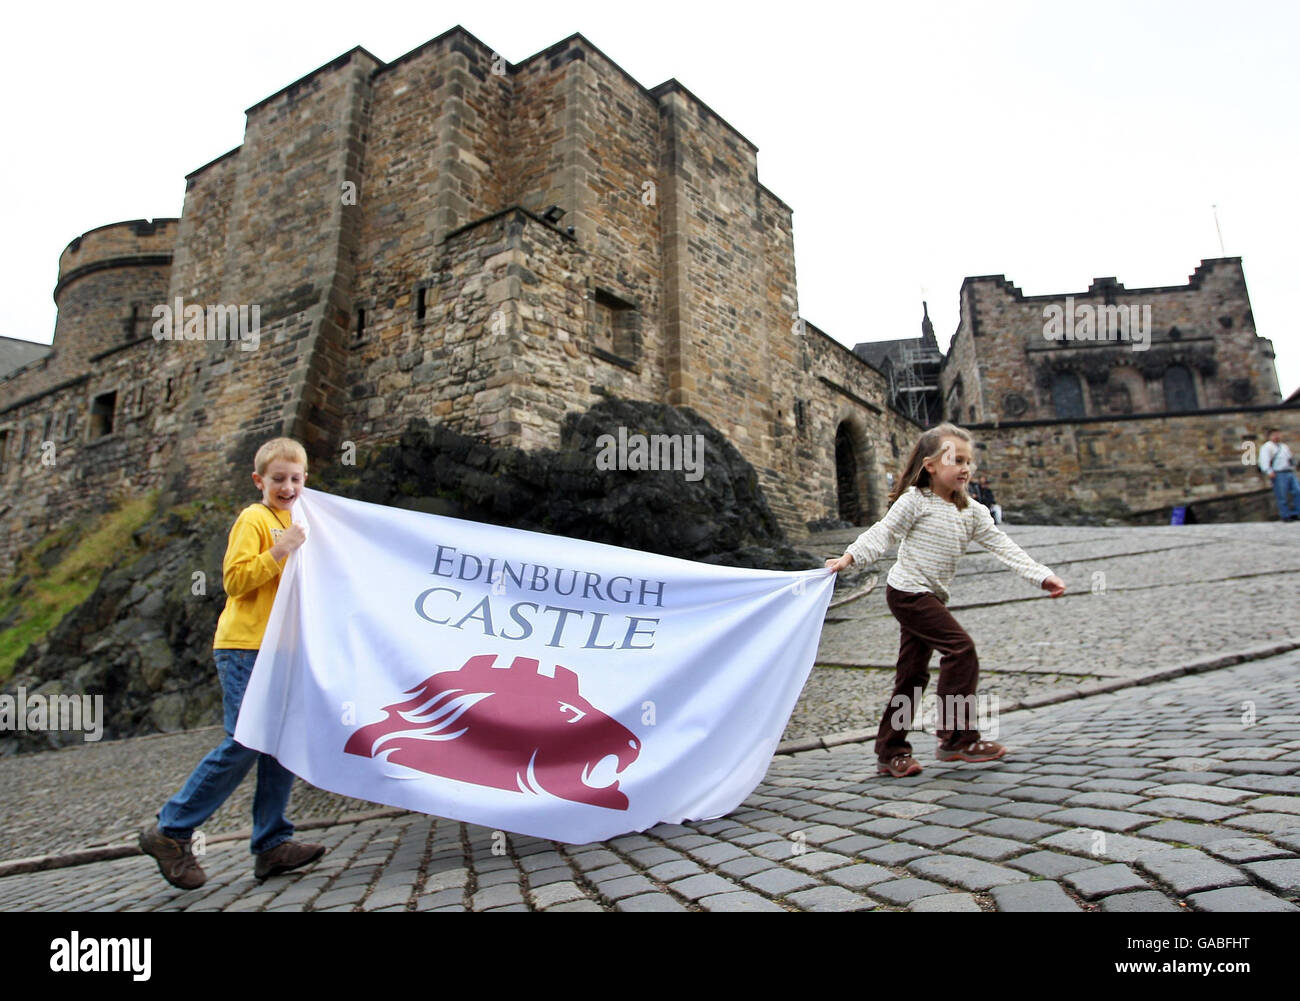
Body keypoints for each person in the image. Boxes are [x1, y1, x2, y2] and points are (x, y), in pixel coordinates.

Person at [825, 422, 1066, 778]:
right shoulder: (915, 502)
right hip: (907, 593)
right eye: (956, 459)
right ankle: (956, 739)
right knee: (960, 649)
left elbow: (1004, 547)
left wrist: (1041, 575)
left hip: (931, 597)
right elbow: (884, 532)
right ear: (931, 466)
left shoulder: (974, 513)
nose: (965, 467)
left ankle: (890, 751)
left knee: (911, 676)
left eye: (969, 461)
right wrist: (850, 558)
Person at [139, 437, 325, 889]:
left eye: (295, 479)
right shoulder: (255, 518)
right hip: (244, 646)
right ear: (259, 481)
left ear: (305, 481)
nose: (287, 486)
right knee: (245, 740)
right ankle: (170, 830)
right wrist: (283, 549)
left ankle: (271, 844)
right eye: (278, 479)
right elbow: (236, 580)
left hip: (284, 649)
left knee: (280, 744)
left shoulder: (302, 520)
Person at [1259, 428, 1299, 522]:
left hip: (1289, 471)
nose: (1277, 436)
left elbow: (1289, 458)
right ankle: (1285, 515)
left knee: (1297, 491)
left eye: (1278, 434)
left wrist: (1294, 464)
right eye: (1274, 435)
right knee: (1282, 495)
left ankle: (1297, 512)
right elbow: (1264, 460)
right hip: (1278, 473)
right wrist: (1268, 471)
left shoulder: (1283, 446)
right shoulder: (1267, 447)